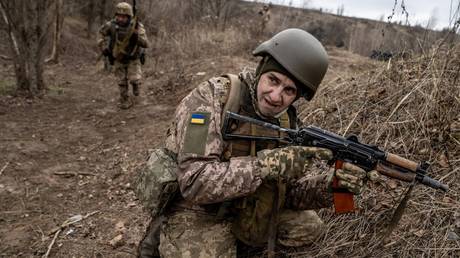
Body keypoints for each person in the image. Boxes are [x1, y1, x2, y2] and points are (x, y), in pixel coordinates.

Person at [138, 28, 374, 257]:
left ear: (297, 96)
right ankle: (163, 235)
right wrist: (265, 165)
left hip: (248, 206)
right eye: (273, 80)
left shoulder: (287, 122)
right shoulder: (213, 99)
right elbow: (194, 182)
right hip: (197, 210)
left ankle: (237, 243)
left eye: (289, 90)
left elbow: (288, 193)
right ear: (261, 69)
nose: (275, 96)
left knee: (309, 227)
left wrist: (330, 186)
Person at [97, 2, 149, 109]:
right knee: (121, 81)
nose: (120, 19)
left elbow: (146, 43)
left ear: (129, 16)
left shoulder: (137, 26)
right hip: (118, 57)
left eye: (123, 17)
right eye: (118, 16)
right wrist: (103, 48)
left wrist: (136, 36)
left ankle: (135, 85)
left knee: (134, 79)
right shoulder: (111, 25)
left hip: (133, 57)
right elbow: (100, 34)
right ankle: (124, 100)